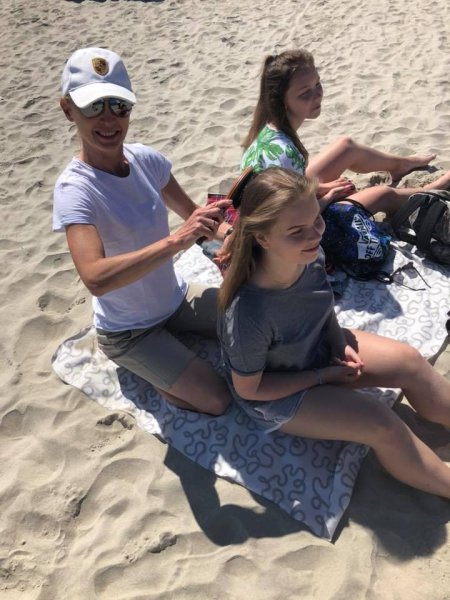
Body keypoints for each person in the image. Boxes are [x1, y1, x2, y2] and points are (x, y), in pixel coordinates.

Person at [217, 167, 450, 499]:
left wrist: (338, 341)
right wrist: (322, 376)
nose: (314, 235)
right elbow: (251, 389)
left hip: (317, 349)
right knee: (381, 423)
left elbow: (321, 305)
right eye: (296, 231)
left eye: (316, 220)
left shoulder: (309, 254)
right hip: (278, 394)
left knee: (410, 362)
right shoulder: (247, 313)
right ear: (263, 238)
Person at [53, 47, 234, 415]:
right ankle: (153, 376)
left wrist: (234, 235)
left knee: (260, 321)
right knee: (217, 400)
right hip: (128, 332)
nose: (108, 118)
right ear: (68, 110)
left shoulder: (146, 160)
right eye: (93, 106)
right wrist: (177, 240)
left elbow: (193, 215)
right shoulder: (76, 190)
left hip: (176, 299)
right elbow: (96, 278)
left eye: (119, 105)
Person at [240, 49, 450, 214]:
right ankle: (430, 191)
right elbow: (295, 218)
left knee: (345, 147)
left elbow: (290, 188)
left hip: (288, 198)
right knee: (382, 194)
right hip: (292, 229)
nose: (318, 94)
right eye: (305, 93)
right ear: (282, 100)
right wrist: (329, 196)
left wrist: (320, 188)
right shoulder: (284, 153)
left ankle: (400, 165)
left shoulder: (269, 131)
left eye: (317, 83)